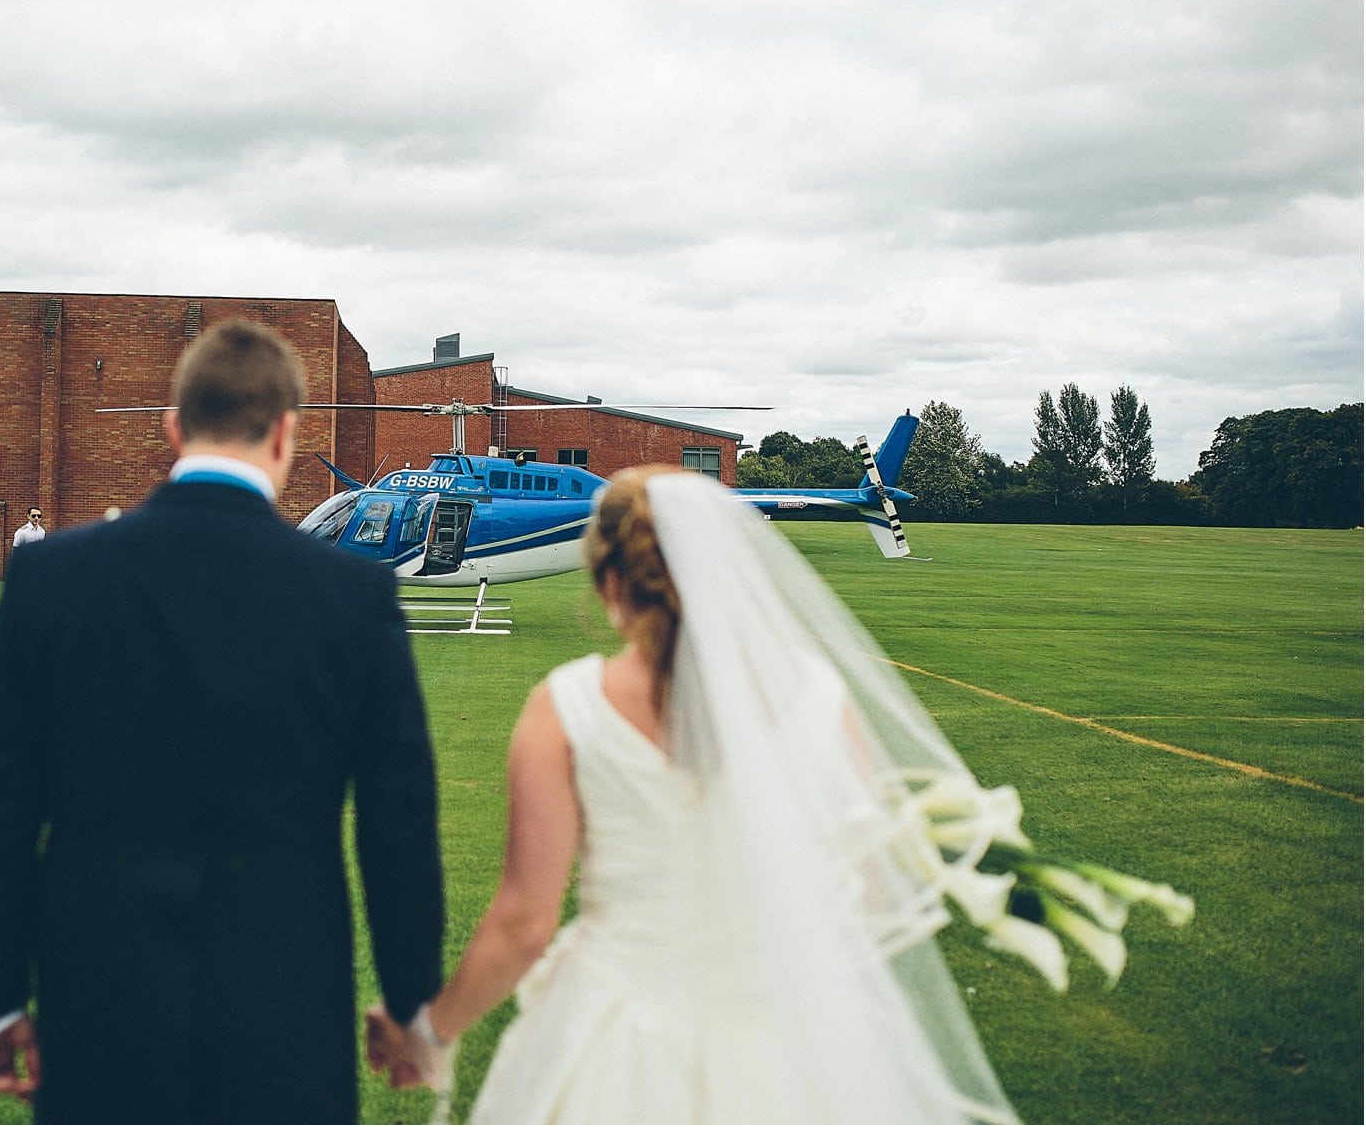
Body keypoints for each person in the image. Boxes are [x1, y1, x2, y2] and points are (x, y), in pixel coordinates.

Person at [369, 466, 1016, 1123]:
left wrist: (428, 1032)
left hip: (617, 1029)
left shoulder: (566, 706)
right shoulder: (817, 694)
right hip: (779, 1023)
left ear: (609, 581)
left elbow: (524, 923)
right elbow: (867, 887)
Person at [0, 319, 446, 1123]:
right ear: (287, 432)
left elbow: (4, 801)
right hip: (285, 999)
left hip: (98, 996)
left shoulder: (51, 578)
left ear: (174, 429)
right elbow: (397, 821)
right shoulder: (350, 599)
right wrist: (409, 1003)